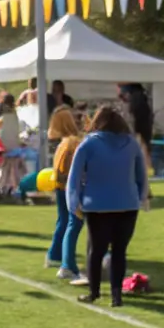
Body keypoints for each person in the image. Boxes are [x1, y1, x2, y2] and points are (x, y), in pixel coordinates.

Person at [65, 105, 146, 307]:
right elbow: (142, 175)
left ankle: (94, 293)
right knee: (119, 251)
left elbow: (73, 178)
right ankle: (117, 296)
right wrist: (141, 197)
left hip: (97, 205)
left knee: (96, 251)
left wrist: (72, 203)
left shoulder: (88, 144)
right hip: (127, 205)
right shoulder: (131, 143)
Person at [45, 107, 84, 281]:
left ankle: (55, 255)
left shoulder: (64, 142)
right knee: (74, 223)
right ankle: (67, 265)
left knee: (64, 221)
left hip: (61, 186)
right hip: (69, 187)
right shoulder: (71, 142)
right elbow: (67, 169)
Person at [0, 93, 23, 197]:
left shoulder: (0, 116)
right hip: (14, 148)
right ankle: (8, 188)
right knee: (9, 167)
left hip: (2, 149)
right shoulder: (16, 117)